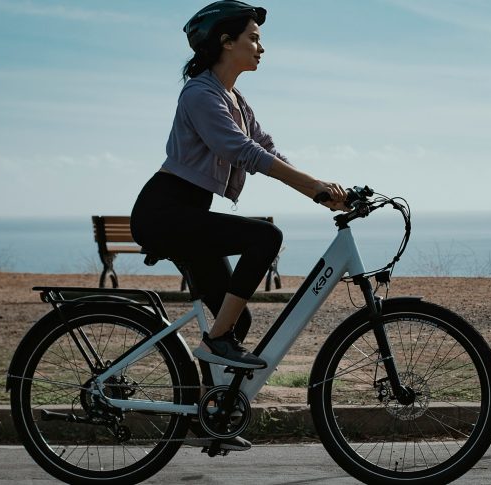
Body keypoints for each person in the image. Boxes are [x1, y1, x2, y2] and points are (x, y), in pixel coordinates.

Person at [129, 1, 346, 450]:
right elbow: (241, 151)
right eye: (253, 37)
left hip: (188, 211)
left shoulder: (234, 98)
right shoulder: (199, 94)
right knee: (264, 238)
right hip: (167, 211)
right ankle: (217, 345)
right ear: (225, 42)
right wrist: (312, 189)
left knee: (236, 318)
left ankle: (209, 416)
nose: (261, 46)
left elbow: (266, 147)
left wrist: (329, 187)